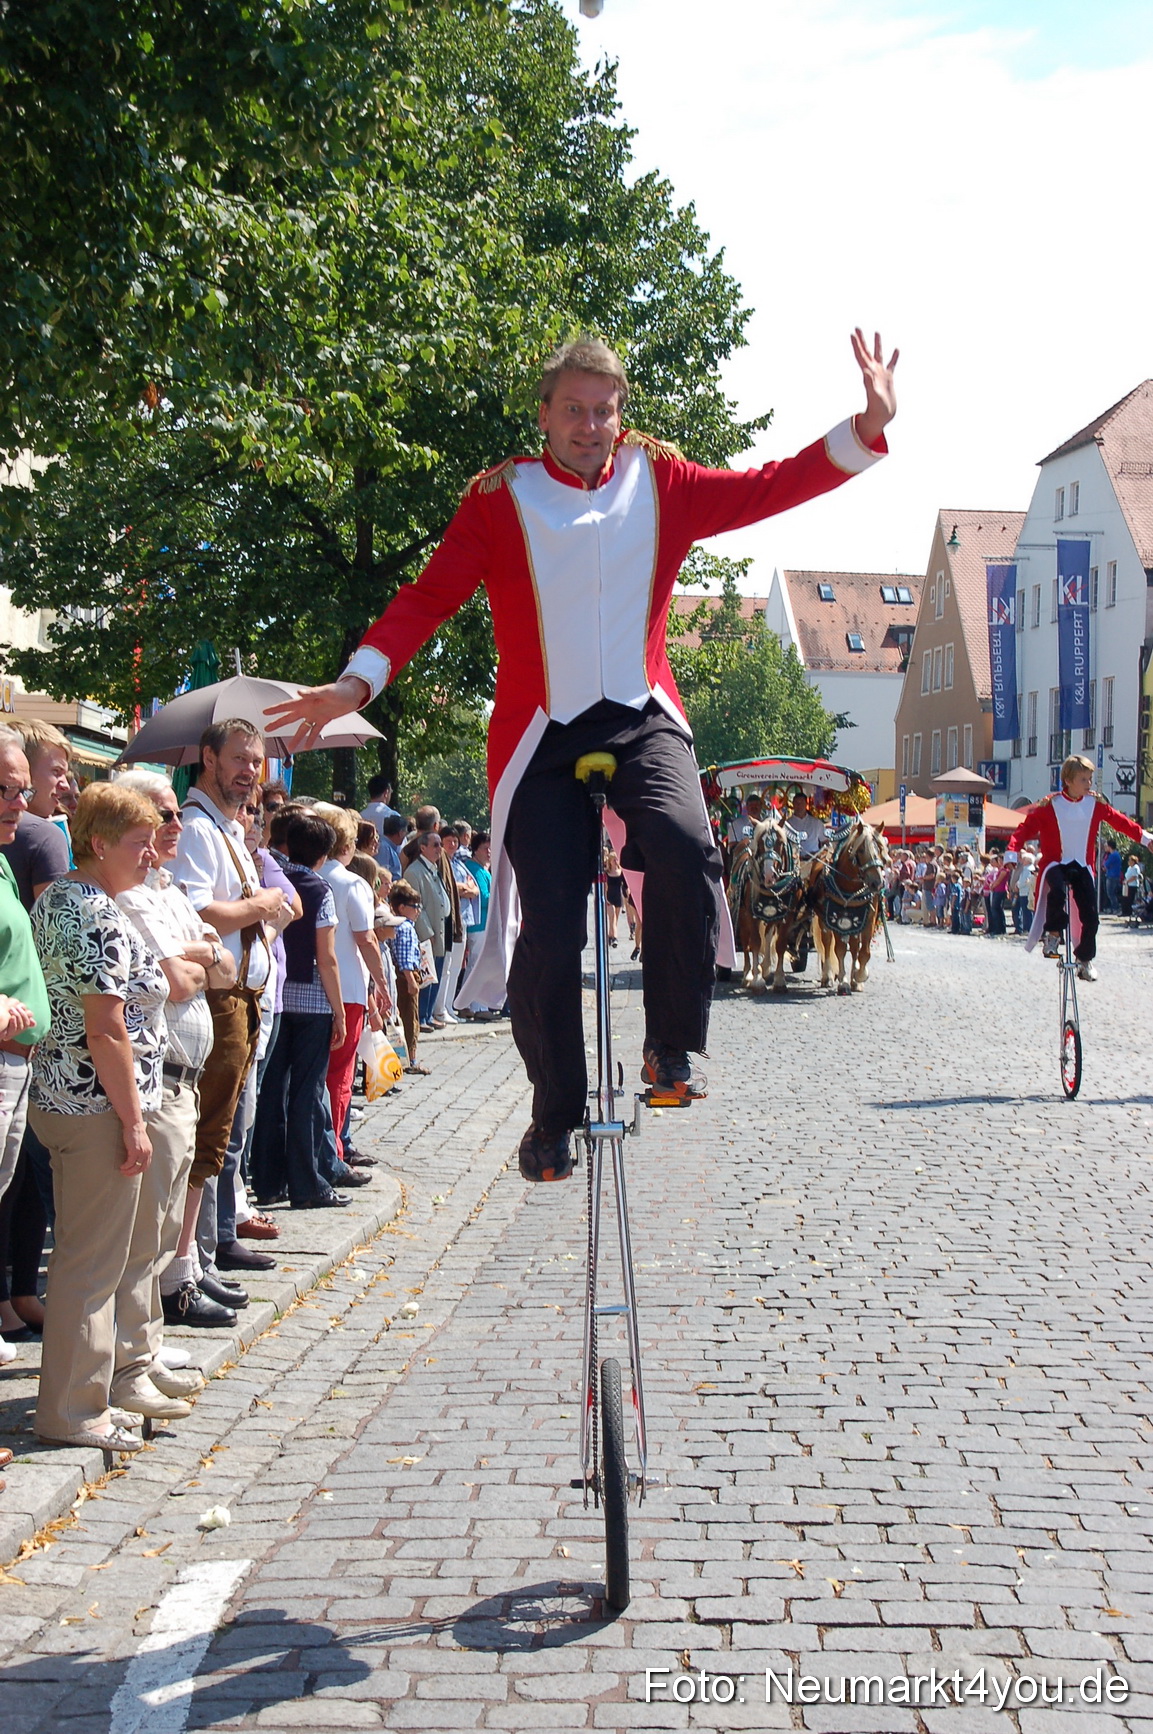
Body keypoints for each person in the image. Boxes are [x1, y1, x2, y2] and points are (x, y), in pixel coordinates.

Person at [266, 330, 898, 1182]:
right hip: (542, 730)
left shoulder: (661, 480)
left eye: (604, 412)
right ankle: (552, 1113)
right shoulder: (499, 499)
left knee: (687, 849)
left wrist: (862, 428)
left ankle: (669, 1048)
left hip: (641, 716)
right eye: (573, 411)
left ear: (620, 415)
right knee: (551, 929)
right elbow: (427, 597)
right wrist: (355, 684)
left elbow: (767, 488)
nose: (590, 427)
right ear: (545, 416)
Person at [31, 784, 169, 1450]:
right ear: (98, 843)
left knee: (86, 1260)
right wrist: (134, 1120)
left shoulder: (61, 897)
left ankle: (81, 1399)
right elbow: (105, 1027)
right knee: (91, 1265)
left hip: (65, 1098)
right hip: (93, 1104)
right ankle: (74, 1411)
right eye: (138, 843)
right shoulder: (91, 910)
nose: (150, 855)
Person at [112, 771, 237, 1400]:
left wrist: (201, 954)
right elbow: (179, 982)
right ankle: (128, 1363)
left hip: (185, 1078)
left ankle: (146, 1347)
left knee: (161, 1231)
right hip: (154, 1078)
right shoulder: (126, 897)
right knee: (138, 1235)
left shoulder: (165, 889)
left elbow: (225, 971)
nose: (176, 826)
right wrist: (202, 953)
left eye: (175, 815)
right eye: (164, 816)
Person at [173, 721, 285, 1307]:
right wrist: (259, 905)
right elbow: (196, 913)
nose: (248, 771)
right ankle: (184, 1270)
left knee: (220, 1137)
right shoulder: (196, 827)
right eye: (238, 759)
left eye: (255, 762)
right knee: (206, 1136)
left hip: (240, 1000)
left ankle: (198, 1259)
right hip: (217, 1002)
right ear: (208, 759)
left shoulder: (221, 829)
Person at [249, 814, 348, 1209]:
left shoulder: (273, 878)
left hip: (276, 994)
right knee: (307, 1094)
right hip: (311, 1002)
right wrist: (338, 1010)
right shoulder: (318, 888)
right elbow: (327, 958)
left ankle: (269, 1179)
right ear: (323, 855)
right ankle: (308, 1182)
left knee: (272, 1090)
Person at [1005, 753, 1153, 981]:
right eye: (1084, 779)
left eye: (1090, 779)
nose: (1089, 784)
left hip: (1082, 865)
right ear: (1069, 780)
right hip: (1055, 863)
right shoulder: (1050, 805)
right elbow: (1024, 829)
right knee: (1056, 890)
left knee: (1090, 915)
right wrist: (1012, 852)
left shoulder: (1095, 805)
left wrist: (1146, 839)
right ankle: (1053, 935)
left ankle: (1085, 959)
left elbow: (1122, 823)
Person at [0, 728, 51, 1380]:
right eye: (2, 789)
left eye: (19, 790)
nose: (16, 803)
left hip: (16, 1062)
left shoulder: (6, 858)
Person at [405, 829, 452, 1029]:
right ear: (422, 847)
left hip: (440, 931)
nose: (439, 849)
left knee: (437, 974)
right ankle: (421, 1016)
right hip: (428, 934)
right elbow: (417, 905)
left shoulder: (434, 868)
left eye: (440, 844)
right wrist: (426, 932)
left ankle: (429, 1013)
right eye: (435, 845)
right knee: (426, 975)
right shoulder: (414, 872)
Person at [386, 879, 427, 1074]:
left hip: (405, 976)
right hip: (405, 977)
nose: (418, 910)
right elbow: (404, 959)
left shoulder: (404, 926)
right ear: (401, 907)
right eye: (414, 906)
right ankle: (410, 1060)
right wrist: (411, 981)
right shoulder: (405, 928)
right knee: (409, 1018)